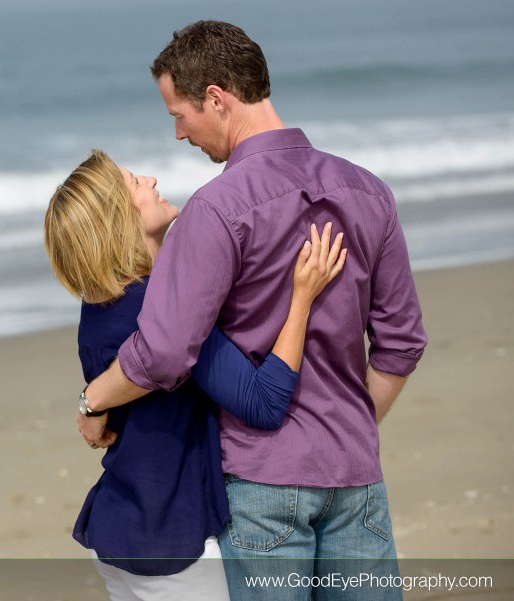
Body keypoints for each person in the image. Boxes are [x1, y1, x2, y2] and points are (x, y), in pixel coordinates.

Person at [78, 21, 428, 600]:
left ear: (216, 98)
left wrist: (93, 400)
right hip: (357, 472)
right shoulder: (369, 191)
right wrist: (349, 432)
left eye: (179, 114)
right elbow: (401, 346)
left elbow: (164, 351)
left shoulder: (214, 210)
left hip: (263, 482)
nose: (178, 133)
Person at [45, 149, 346, 601]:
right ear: (117, 221)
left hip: (120, 525)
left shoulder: (96, 310)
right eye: (133, 184)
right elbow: (265, 403)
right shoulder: (166, 314)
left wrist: (90, 402)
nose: (149, 179)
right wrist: (302, 298)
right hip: (171, 547)